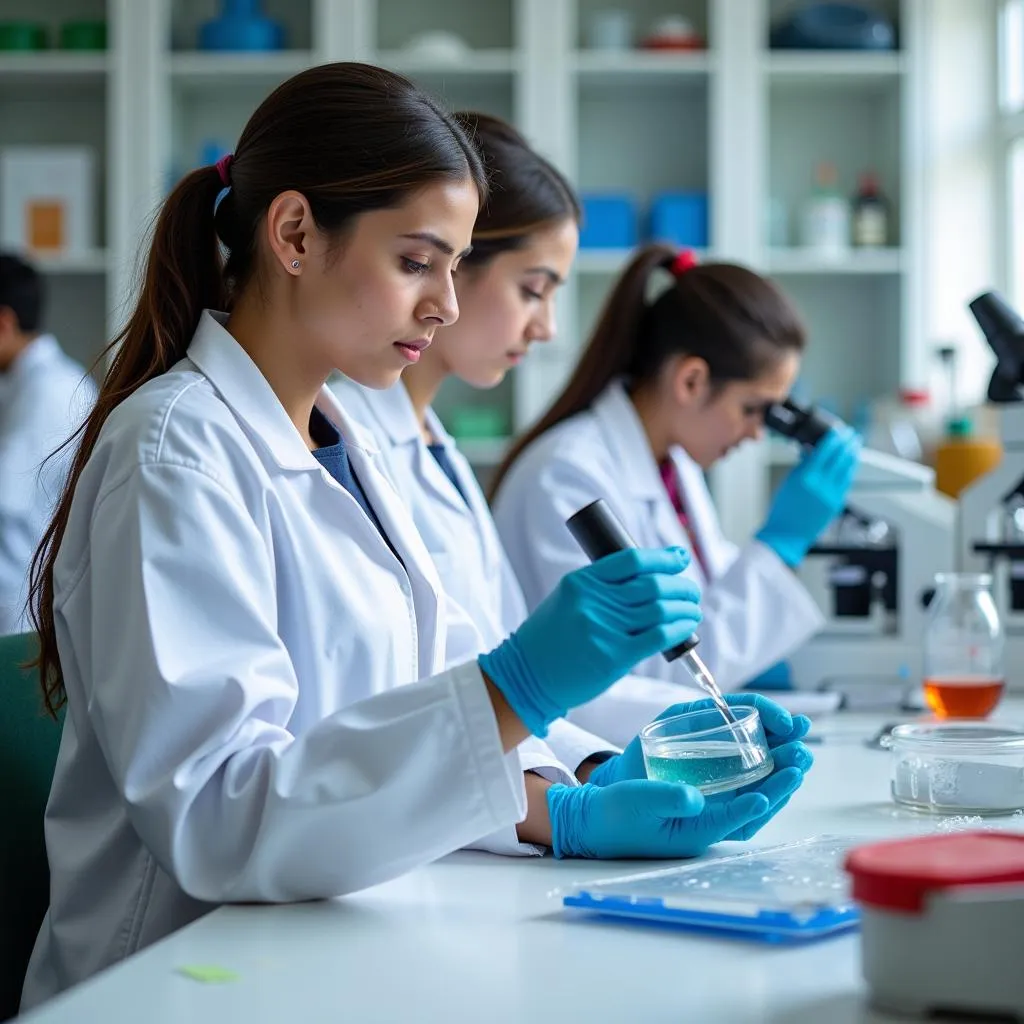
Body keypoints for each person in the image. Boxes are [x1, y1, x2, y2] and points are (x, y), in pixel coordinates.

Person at [20, 64, 728, 1009]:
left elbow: (405, 715)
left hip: (339, 936)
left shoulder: (353, 444)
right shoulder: (174, 450)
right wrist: (514, 690)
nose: (445, 303)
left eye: (455, 265)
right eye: (416, 261)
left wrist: (567, 802)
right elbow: (220, 818)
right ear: (297, 234)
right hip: (179, 979)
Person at [332, 113, 812, 835]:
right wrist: (566, 811)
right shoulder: (361, 444)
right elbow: (418, 706)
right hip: (391, 837)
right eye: (534, 288)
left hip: (457, 816)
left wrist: (590, 771)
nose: (549, 327)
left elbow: (488, 685)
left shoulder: (438, 451)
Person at [491, 244, 861, 741]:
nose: (758, 433)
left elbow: (702, 618)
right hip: (588, 759)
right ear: (691, 380)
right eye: (755, 409)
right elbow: (648, 673)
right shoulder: (567, 476)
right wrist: (778, 548)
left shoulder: (674, 467)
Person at [0, 254, 96, 634]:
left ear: (4, 323)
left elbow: (6, 499)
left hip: (24, 612)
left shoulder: (51, 391)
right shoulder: (22, 385)